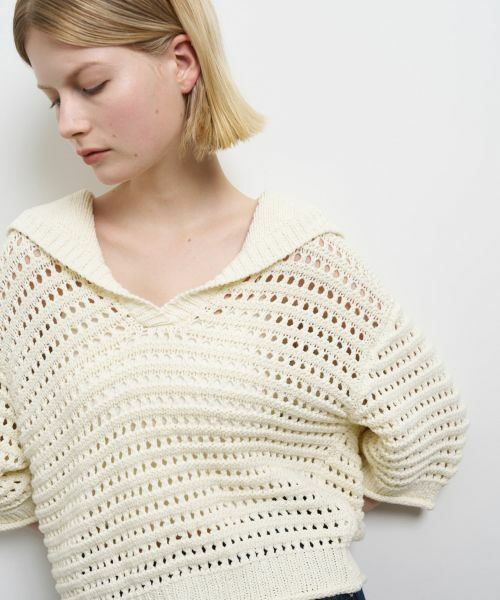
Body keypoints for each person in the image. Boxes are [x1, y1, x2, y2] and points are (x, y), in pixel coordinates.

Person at [1, 2, 469, 599]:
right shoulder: (38, 261)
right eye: (52, 99)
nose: (68, 122)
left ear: (182, 62)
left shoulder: (300, 257)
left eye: (91, 85)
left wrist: (281, 536)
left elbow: (427, 430)